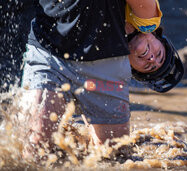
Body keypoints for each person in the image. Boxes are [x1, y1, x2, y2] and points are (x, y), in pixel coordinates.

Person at [20, 0, 165, 159]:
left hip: (107, 69)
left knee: (113, 156)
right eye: (159, 54)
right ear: (155, 36)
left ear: (132, 67)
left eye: (148, 67)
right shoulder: (148, 22)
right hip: (49, 50)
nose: (151, 59)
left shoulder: (135, 29)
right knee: (36, 142)